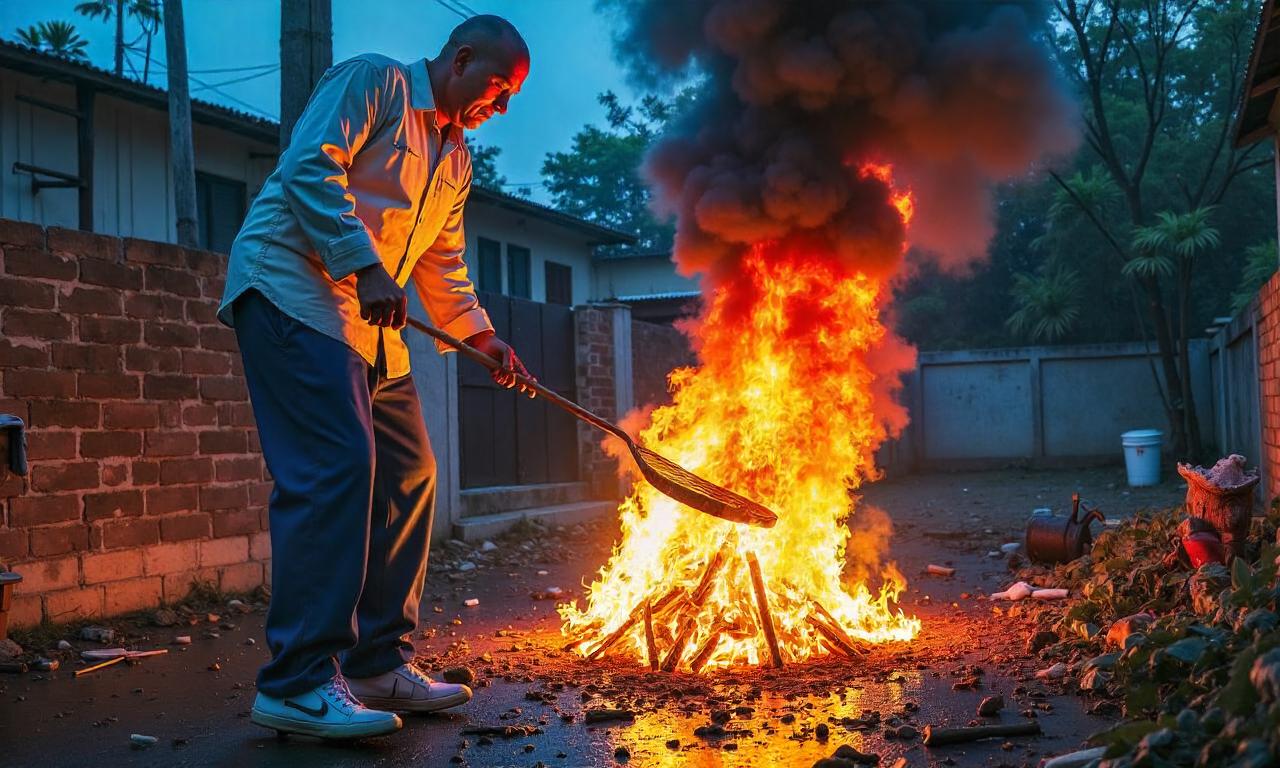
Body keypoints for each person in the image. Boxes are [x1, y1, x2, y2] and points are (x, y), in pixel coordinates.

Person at [215, 15, 533, 740]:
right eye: (498, 86)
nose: (501, 106)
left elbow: (441, 261)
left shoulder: (454, 160)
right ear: (460, 59)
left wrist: (481, 334)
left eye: (511, 97)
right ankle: (295, 684)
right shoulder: (376, 83)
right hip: (292, 289)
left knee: (411, 472)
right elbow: (308, 166)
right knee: (337, 467)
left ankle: (373, 663)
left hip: (368, 325)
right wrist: (361, 263)